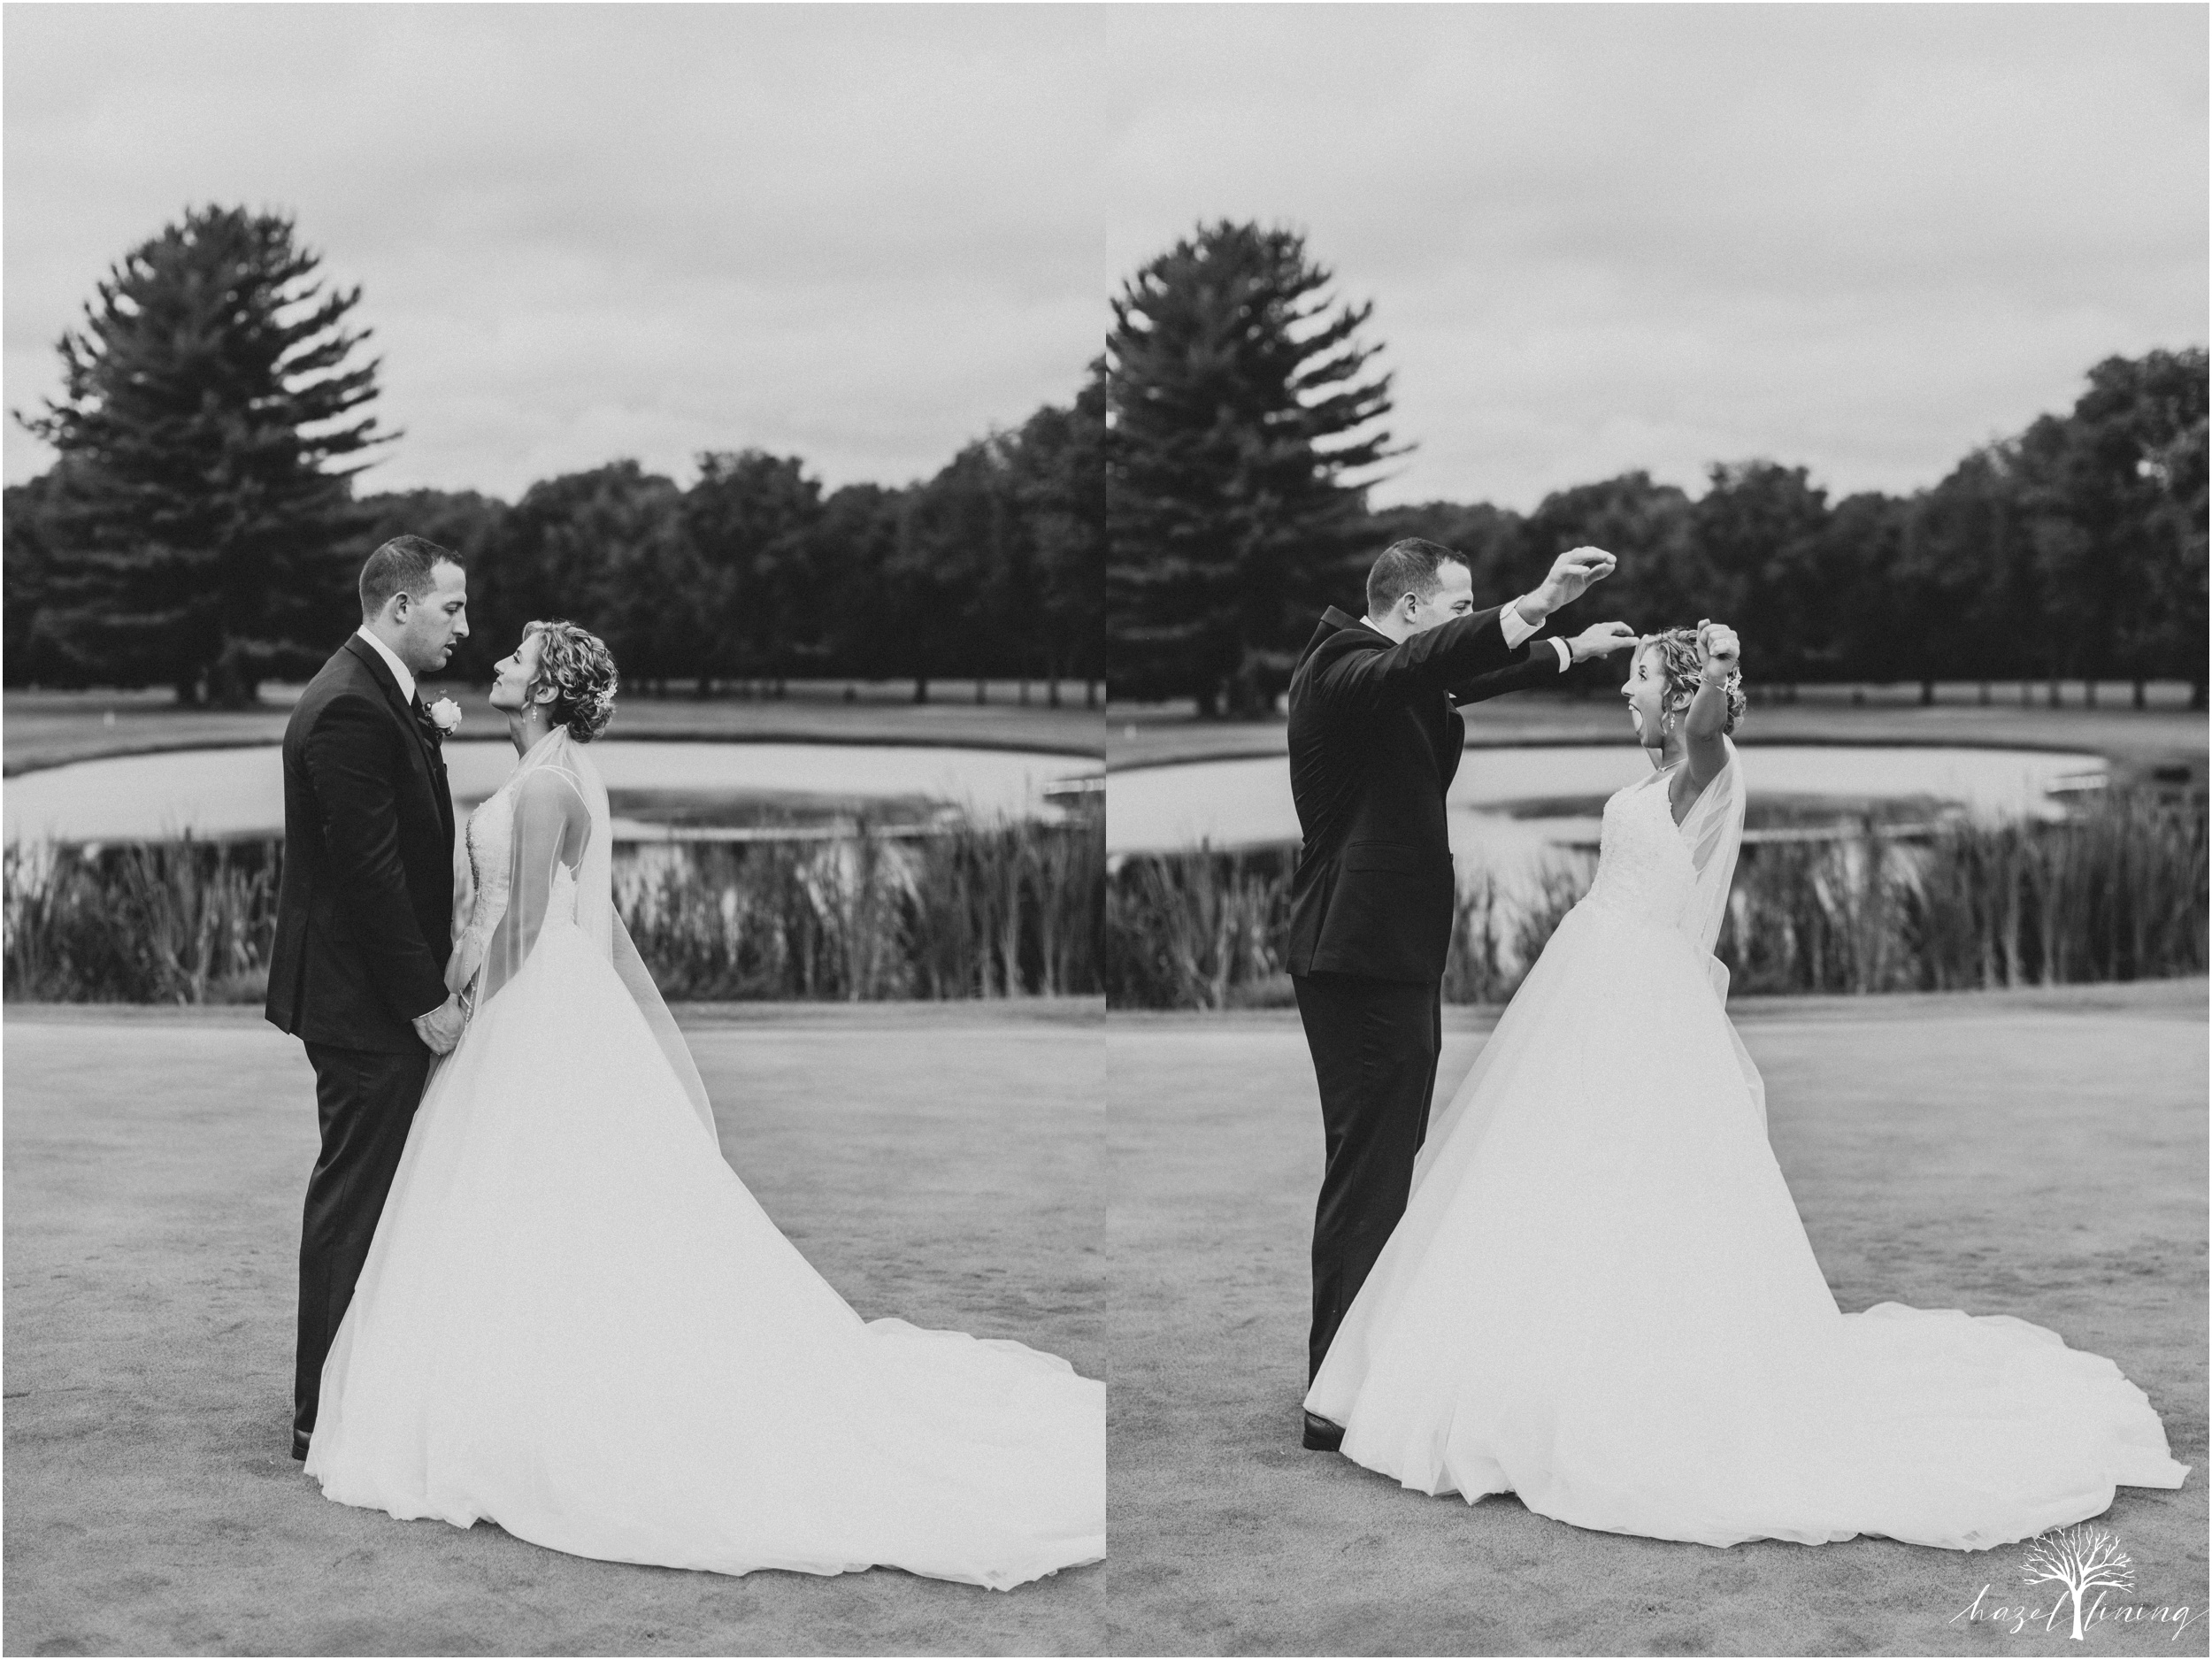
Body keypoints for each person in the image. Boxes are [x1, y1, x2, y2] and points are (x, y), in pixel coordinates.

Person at [1303, 622, 2190, 1549]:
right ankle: (1545, 1355)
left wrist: (1713, 666)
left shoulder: (1700, 770)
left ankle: (1630, 1369)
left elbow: (1712, 732)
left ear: (1679, 697)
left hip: (1634, 999)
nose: (1626, 693)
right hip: (1589, 990)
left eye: (1641, 680)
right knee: (1558, 1173)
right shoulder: (1655, 780)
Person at [303, 619, 1105, 1590]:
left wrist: (465, 1011)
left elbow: (518, 929)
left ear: (549, 691)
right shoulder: (538, 771)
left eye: (518, 658)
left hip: (528, 1000)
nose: (499, 664)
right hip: (524, 992)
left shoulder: (552, 783)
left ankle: (542, 1396)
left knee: (517, 1186)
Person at [1283, 536, 1639, 1449]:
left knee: (1382, 1159)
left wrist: (1567, 649)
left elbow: (1457, 677)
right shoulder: (1341, 670)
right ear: (1407, 609)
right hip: (1358, 953)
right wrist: (1537, 602)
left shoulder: (1387, 671)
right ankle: (1334, 1392)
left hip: (1384, 948)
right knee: (1368, 1168)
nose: (1460, 618)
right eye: (1454, 604)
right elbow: (1434, 664)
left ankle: (1356, 1367)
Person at [266, 536, 471, 1463]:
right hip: (363, 1002)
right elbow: (369, 879)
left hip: (365, 994)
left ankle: (360, 1391)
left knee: (379, 1197)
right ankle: (320, 1414)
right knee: (354, 1200)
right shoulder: (351, 707)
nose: (464, 626)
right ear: (399, 608)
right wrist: (424, 999)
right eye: (451, 609)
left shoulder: (379, 694)